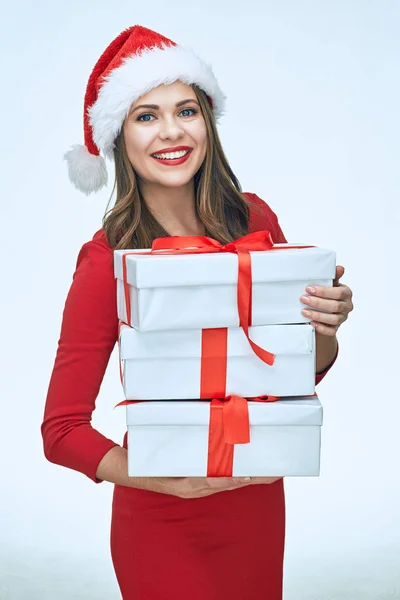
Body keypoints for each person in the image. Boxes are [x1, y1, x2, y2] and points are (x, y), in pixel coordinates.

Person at [41, 24, 354, 600]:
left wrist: (324, 328)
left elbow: (297, 374)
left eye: (185, 109)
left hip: (256, 503)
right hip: (161, 515)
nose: (170, 131)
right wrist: (160, 479)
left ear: (206, 122)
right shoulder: (106, 260)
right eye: (145, 115)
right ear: (119, 138)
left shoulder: (255, 222)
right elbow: (61, 431)